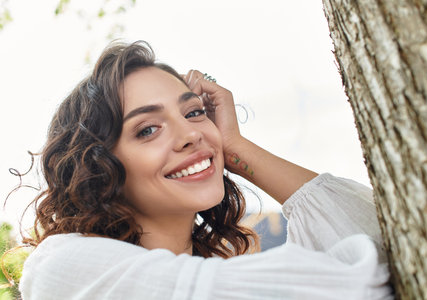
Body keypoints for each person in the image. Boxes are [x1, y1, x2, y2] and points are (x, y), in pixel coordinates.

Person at [18, 40, 393, 299]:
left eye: (194, 112)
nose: (190, 135)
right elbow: (361, 281)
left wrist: (235, 148)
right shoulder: (64, 267)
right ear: (96, 168)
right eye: (147, 129)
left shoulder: (214, 273)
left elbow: (388, 239)